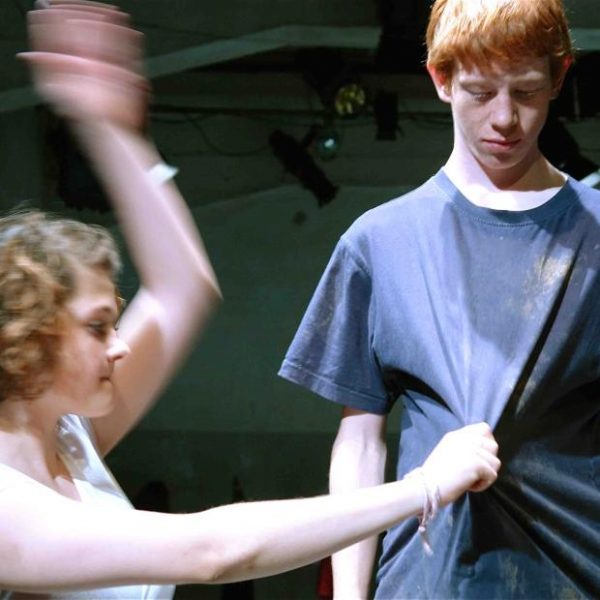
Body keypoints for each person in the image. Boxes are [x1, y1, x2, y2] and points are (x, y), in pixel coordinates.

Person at [0, 2, 501, 598]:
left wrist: (112, 132)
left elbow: (182, 288)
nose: (119, 345)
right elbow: (214, 551)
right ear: (23, 339)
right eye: (96, 326)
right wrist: (423, 487)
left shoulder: (67, 437)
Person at [279, 0, 600, 598]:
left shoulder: (596, 234)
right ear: (441, 78)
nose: (505, 118)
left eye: (526, 91)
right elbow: (360, 439)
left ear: (559, 77)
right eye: (480, 92)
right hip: (427, 581)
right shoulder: (380, 242)